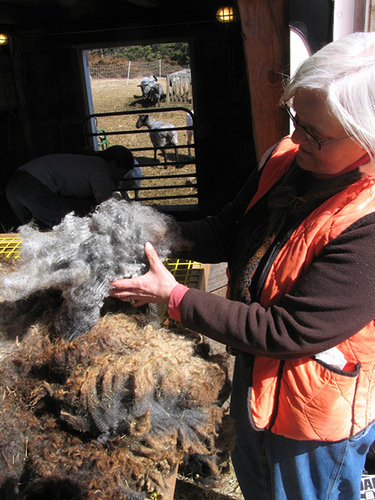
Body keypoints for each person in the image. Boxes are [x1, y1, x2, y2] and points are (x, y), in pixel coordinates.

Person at [108, 32, 375, 499]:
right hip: (256, 378)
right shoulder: (289, 158)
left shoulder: (368, 221)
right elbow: (232, 228)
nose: (295, 137)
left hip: (313, 412)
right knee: (256, 485)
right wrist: (159, 233)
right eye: (296, 119)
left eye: (315, 132)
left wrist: (174, 297)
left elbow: (289, 330)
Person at [6, 145, 134, 229]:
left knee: (31, 228)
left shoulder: (88, 162)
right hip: (32, 185)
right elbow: (106, 201)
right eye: (120, 173)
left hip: (14, 185)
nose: (119, 178)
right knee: (67, 227)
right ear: (113, 163)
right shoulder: (101, 167)